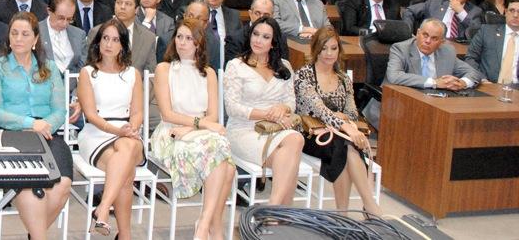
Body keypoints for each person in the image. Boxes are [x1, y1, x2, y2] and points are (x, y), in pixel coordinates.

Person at [0, 12, 73, 240]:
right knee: (32, 191)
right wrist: (30, 123)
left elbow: (60, 111)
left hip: (48, 135)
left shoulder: (50, 68)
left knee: (62, 185)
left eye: (25, 34)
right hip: (13, 136)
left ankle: (35, 234)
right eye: (14, 33)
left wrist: (44, 126)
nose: (18, 39)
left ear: (35, 40)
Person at [151, 23, 234, 240]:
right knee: (225, 162)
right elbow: (167, 114)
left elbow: (214, 116)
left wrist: (192, 127)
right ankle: (211, 228)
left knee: (223, 159)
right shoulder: (164, 69)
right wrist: (200, 124)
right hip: (170, 132)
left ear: (199, 44)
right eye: (179, 37)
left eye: (189, 38)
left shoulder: (208, 73)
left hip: (196, 132)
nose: (182, 42)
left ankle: (204, 225)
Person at [294, 27, 381, 216]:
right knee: (347, 144)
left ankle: (343, 215)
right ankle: (368, 206)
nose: (329, 54)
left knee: (345, 146)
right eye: (324, 48)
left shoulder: (343, 79)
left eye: (333, 48)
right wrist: (343, 123)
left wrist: (346, 123)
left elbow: (351, 112)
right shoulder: (304, 74)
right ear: (315, 49)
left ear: (339, 50)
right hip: (311, 134)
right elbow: (319, 110)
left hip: (339, 135)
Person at [223, 16, 305, 205]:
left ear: (274, 42)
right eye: (256, 34)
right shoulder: (236, 65)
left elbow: (291, 102)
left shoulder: (284, 66)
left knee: (292, 146)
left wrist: (281, 108)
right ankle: (279, 209)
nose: (258, 40)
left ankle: (274, 208)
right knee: (293, 148)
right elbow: (233, 108)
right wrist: (269, 114)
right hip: (243, 130)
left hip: (276, 130)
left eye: (265, 37)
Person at [76, 19, 145, 238]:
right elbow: (91, 115)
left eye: (115, 39)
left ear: (123, 45)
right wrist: (120, 133)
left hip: (127, 130)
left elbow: (137, 113)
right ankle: (124, 234)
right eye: (105, 38)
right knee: (126, 170)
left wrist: (131, 129)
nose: (109, 44)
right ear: (98, 42)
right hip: (97, 133)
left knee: (125, 150)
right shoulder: (88, 72)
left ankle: (103, 208)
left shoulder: (133, 73)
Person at [386, 19, 482, 90]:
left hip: (435, 103)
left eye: (434, 38)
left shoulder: (447, 52)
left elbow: (474, 73)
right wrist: (434, 82)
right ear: (418, 33)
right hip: (399, 101)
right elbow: (394, 76)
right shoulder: (401, 49)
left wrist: (462, 83)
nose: (428, 41)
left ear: (442, 42)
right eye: (425, 35)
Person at [402, 0, 482, 40]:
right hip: (432, 42)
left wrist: (461, 12)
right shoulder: (434, 2)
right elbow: (409, 11)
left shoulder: (475, 11)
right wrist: (408, 33)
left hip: (457, 48)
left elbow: (476, 31)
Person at [465, 0, 519, 83]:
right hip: (488, 85)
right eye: (512, 10)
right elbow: (470, 58)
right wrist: (481, 78)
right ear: (506, 12)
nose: (515, 15)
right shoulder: (486, 31)